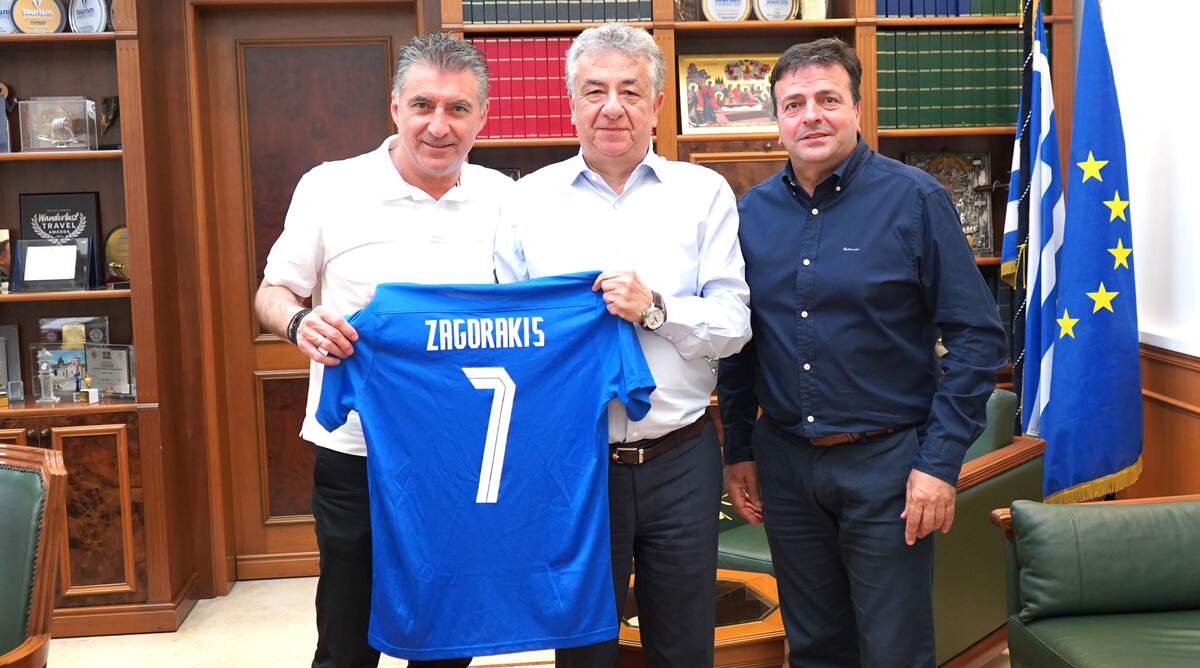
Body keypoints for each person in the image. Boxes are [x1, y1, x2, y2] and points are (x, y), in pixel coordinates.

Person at [718, 38, 1007, 668]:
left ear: (856, 108)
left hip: (889, 467)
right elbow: (739, 342)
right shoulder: (750, 214)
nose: (811, 116)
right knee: (816, 646)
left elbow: (978, 337)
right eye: (794, 104)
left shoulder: (915, 199)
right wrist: (738, 448)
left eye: (828, 99)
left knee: (892, 649)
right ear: (777, 119)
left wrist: (938, 463)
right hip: (786, 464)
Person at [494, 23, 752, 668]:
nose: (613, 107)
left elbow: (734, 324)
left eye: (631, 91)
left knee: (684, 647)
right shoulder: (525, 201)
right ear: (571, 102)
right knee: (583, 650)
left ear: (658, 104)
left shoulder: (703, 194)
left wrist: (657, 309)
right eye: (595, 91)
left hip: (681, 456)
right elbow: (506, 336)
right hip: (572, 461)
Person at [255, 33, 513, 668]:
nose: (438, 125)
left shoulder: (508, 200)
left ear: (482, 117)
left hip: (461, 455)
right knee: (346, 639)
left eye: (458, 109)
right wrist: (300, 323)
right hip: (356, 453)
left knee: (447, 640)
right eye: (423, 105)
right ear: (395, 106)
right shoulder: (329, 187)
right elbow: (273, 292)